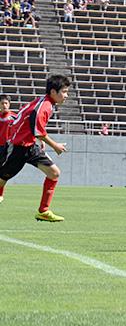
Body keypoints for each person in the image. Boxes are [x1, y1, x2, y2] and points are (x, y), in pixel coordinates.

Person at [0, 75, 71, 221]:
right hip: (17, 147)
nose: (66, 95)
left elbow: (32, 126)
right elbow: (37, 130)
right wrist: (55, 145)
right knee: (1, 180)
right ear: (53, 92)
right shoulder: (44, 106)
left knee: (54, 173)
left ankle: (43, 211)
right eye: (64, 91)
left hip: (30, 146)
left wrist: (37, 138)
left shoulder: (45, 102)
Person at [0, 94, 17, 204]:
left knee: (2, 172)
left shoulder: (14, 117)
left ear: (9, 104)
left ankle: (0, 194)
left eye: (6, 103)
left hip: (7, 148)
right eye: (2, 103)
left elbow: (27, 127)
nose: (4, 105)